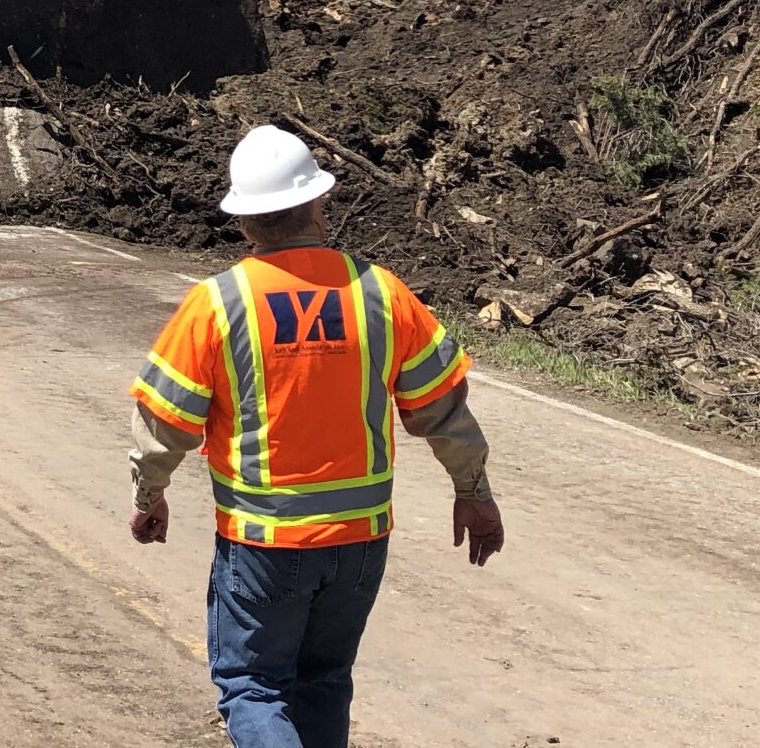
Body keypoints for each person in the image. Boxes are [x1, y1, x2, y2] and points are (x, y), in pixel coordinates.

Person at [126, 125, 504, 748]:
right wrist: (475, 491)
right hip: (359, 545)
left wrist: (148, 498)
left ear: (245, 223)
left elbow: (163, 426)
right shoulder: (380, 292)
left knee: (254, 688)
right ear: (318, 207)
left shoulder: (218, 303)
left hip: (264, 544)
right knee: (325, 681)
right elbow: (445, 412)